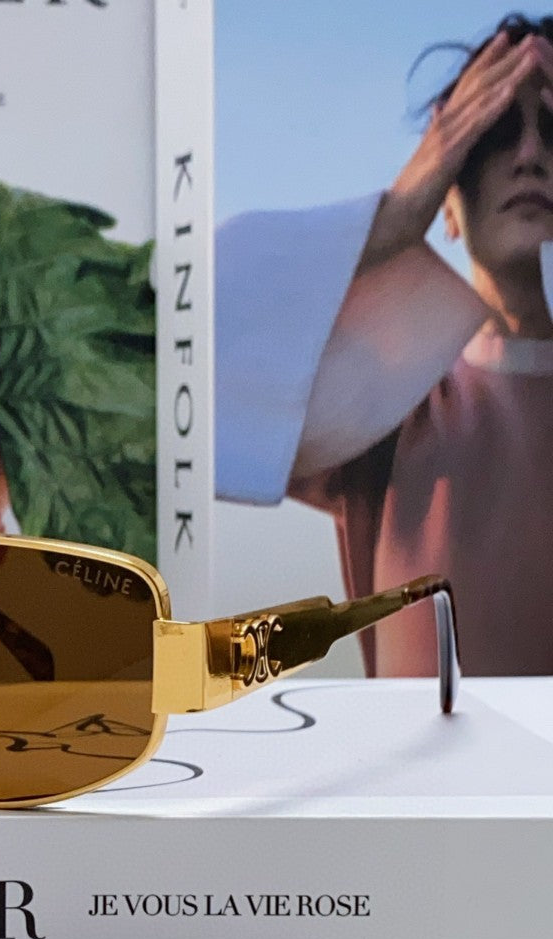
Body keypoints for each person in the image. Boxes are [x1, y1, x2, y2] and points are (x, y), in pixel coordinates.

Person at [217, 15, 553, 677]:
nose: (529, 155)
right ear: (448, 202)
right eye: (493, 132)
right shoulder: (395, 402)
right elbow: (177, 352)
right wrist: (395, 215)